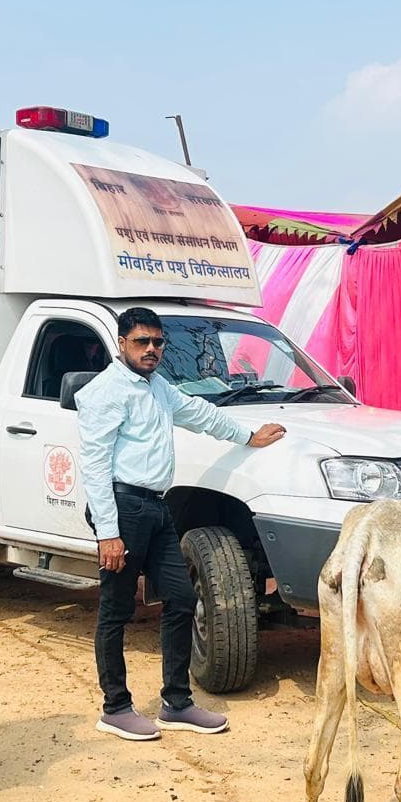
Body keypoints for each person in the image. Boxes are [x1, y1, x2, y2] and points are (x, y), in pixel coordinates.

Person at [76, 307, 286, 742]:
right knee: (116, 610)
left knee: (182, 598)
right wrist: (107, 534)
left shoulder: (158, 388)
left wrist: (249, 436)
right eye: (141, 342)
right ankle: (115, 708)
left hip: (155, 507)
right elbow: (94, 466)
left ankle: (177, 703)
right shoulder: (106, 392)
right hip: (122, 507)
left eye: (157, 342)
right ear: (121, 344)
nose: (151, 349)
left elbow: (200, 413)